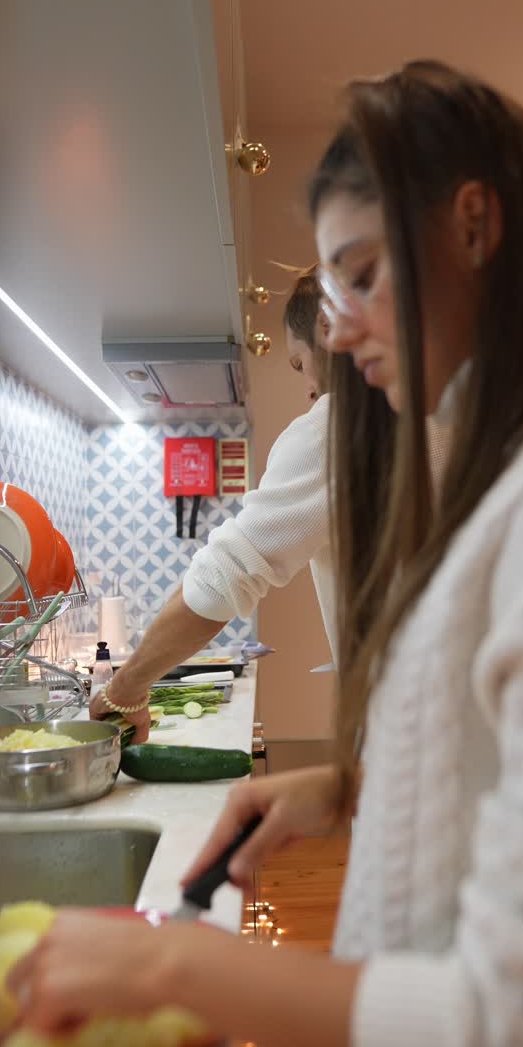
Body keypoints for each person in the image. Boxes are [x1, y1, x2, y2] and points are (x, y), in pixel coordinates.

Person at [10, 61, 523, 1047]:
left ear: (474, 226)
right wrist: (347, 787)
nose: (336, 333)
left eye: (364, 275)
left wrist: (171, 968)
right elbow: (514, 740)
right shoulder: (512, 470)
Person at [91, 268, 336, 740]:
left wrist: (124, 688)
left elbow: (221, 580)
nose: (307, 386)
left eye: (298, 363)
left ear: (327, 326)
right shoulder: (443, 415)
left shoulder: (335, 429)